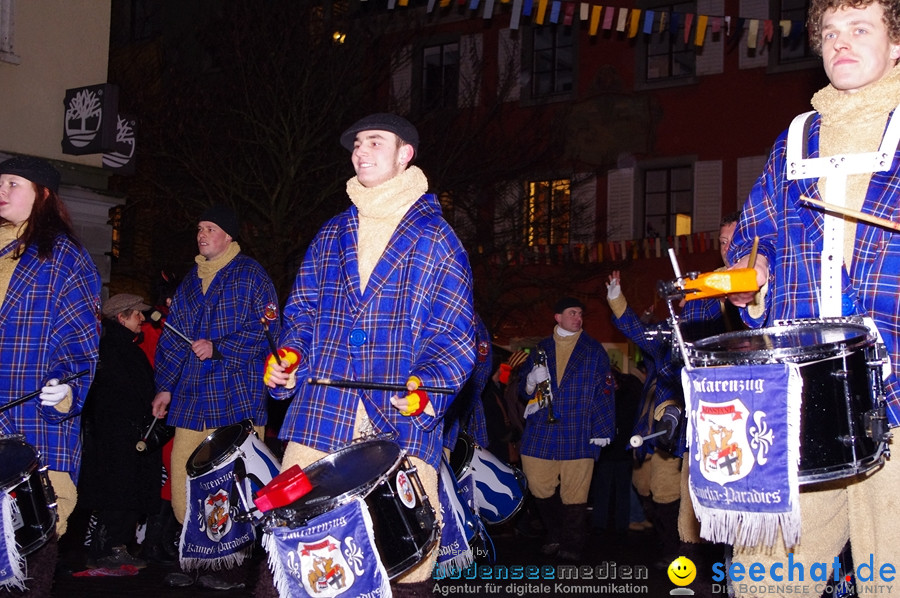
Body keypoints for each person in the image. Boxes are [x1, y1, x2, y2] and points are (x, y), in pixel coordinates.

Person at [721, 1, 900, 595]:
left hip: (897, 387)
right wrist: (751, 276)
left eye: (860, 29)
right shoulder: (794, 140)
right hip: (800, 394)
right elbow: (752, 242)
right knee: (764, 580)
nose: (840, 43)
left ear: (895, 44)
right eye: (830, 33)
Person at [263, 113, 475, 598]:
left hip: (399, 421)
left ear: (405, 154)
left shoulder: (436, 238)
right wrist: (290, 356)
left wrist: (427, 388)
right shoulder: (331, 233)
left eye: (375, 141)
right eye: (357, 143)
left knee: (407, 556)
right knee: (292, 539)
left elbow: (454, 333)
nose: (361, 150)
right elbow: (301, 313)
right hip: (322, 412)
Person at [151, 204, 278, 590]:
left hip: (236, 395)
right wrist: (164, 386)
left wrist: (220, 346)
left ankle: (231, 567)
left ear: (228, 235)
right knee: (182, 482)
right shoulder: (190, 281)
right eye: (199, 228)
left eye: (209, 228)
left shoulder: (252, 275)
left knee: (232, 487)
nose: (201, 234)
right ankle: (195, 558)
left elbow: (271, 333)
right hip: (191, 396)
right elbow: (173, 341)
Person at [0, 156, 101, 593]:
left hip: (34, 420)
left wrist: (67, 390)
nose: (1, 190)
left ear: (42, 194)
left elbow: (81, 343)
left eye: (13, 183)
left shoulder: (64, 258)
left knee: (32, 546)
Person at [517, 296, 615, 562]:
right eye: (572, 313)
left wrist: (603, 428)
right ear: (558, 317)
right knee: (538, 485)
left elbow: (605, 390)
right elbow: (521, 390)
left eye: (580, 313)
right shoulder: (540, 349)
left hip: (579, 428)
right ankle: (555, 532)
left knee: (575, 493)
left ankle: (572, 543)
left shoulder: (593, 350)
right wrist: (528, 383)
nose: (578, 318)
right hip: (542, 429)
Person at [79, 293, 159, 570]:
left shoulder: (121, 347)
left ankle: (113, 546)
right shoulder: (113, 349)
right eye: (137, 314)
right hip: (119, 437)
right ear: (121, 316)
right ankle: (108, 548)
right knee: (119, 494)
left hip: (123, 435)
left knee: (124, 494)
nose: (142, 319)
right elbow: (122, 394)